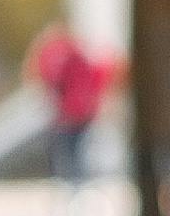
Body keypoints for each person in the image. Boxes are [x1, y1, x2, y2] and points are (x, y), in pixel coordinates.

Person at [27, 19, 121, 190]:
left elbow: (48, 79)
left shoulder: (57, 54)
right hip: (81, 113)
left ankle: (73, 189)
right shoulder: (78, 54)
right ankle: (77, 188)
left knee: (68, 157)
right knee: (76, 156)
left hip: (69, 115)